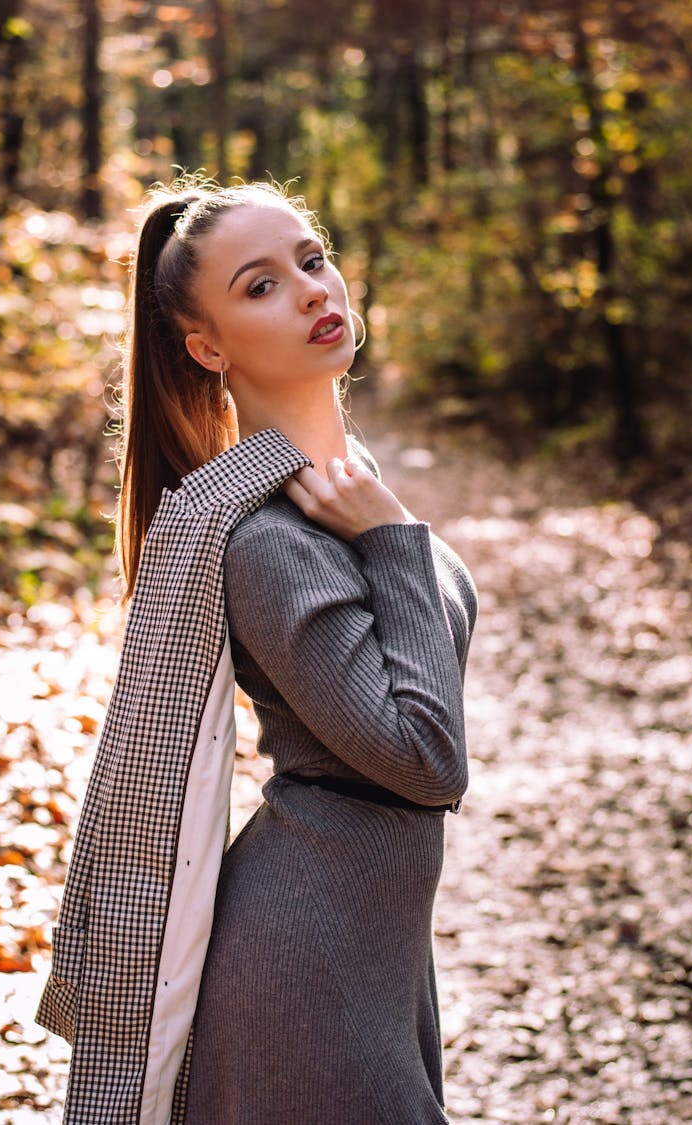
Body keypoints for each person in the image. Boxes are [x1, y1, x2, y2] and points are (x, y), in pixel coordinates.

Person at [37, 177, 478, 1125]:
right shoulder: (266, 538)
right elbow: (426, 760)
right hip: (303, 956)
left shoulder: (343, 496)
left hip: (372, 942)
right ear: (207, 347)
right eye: (261, 285)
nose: (314, 290)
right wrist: (395, 537)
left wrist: (384, 524)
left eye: (311, 260)